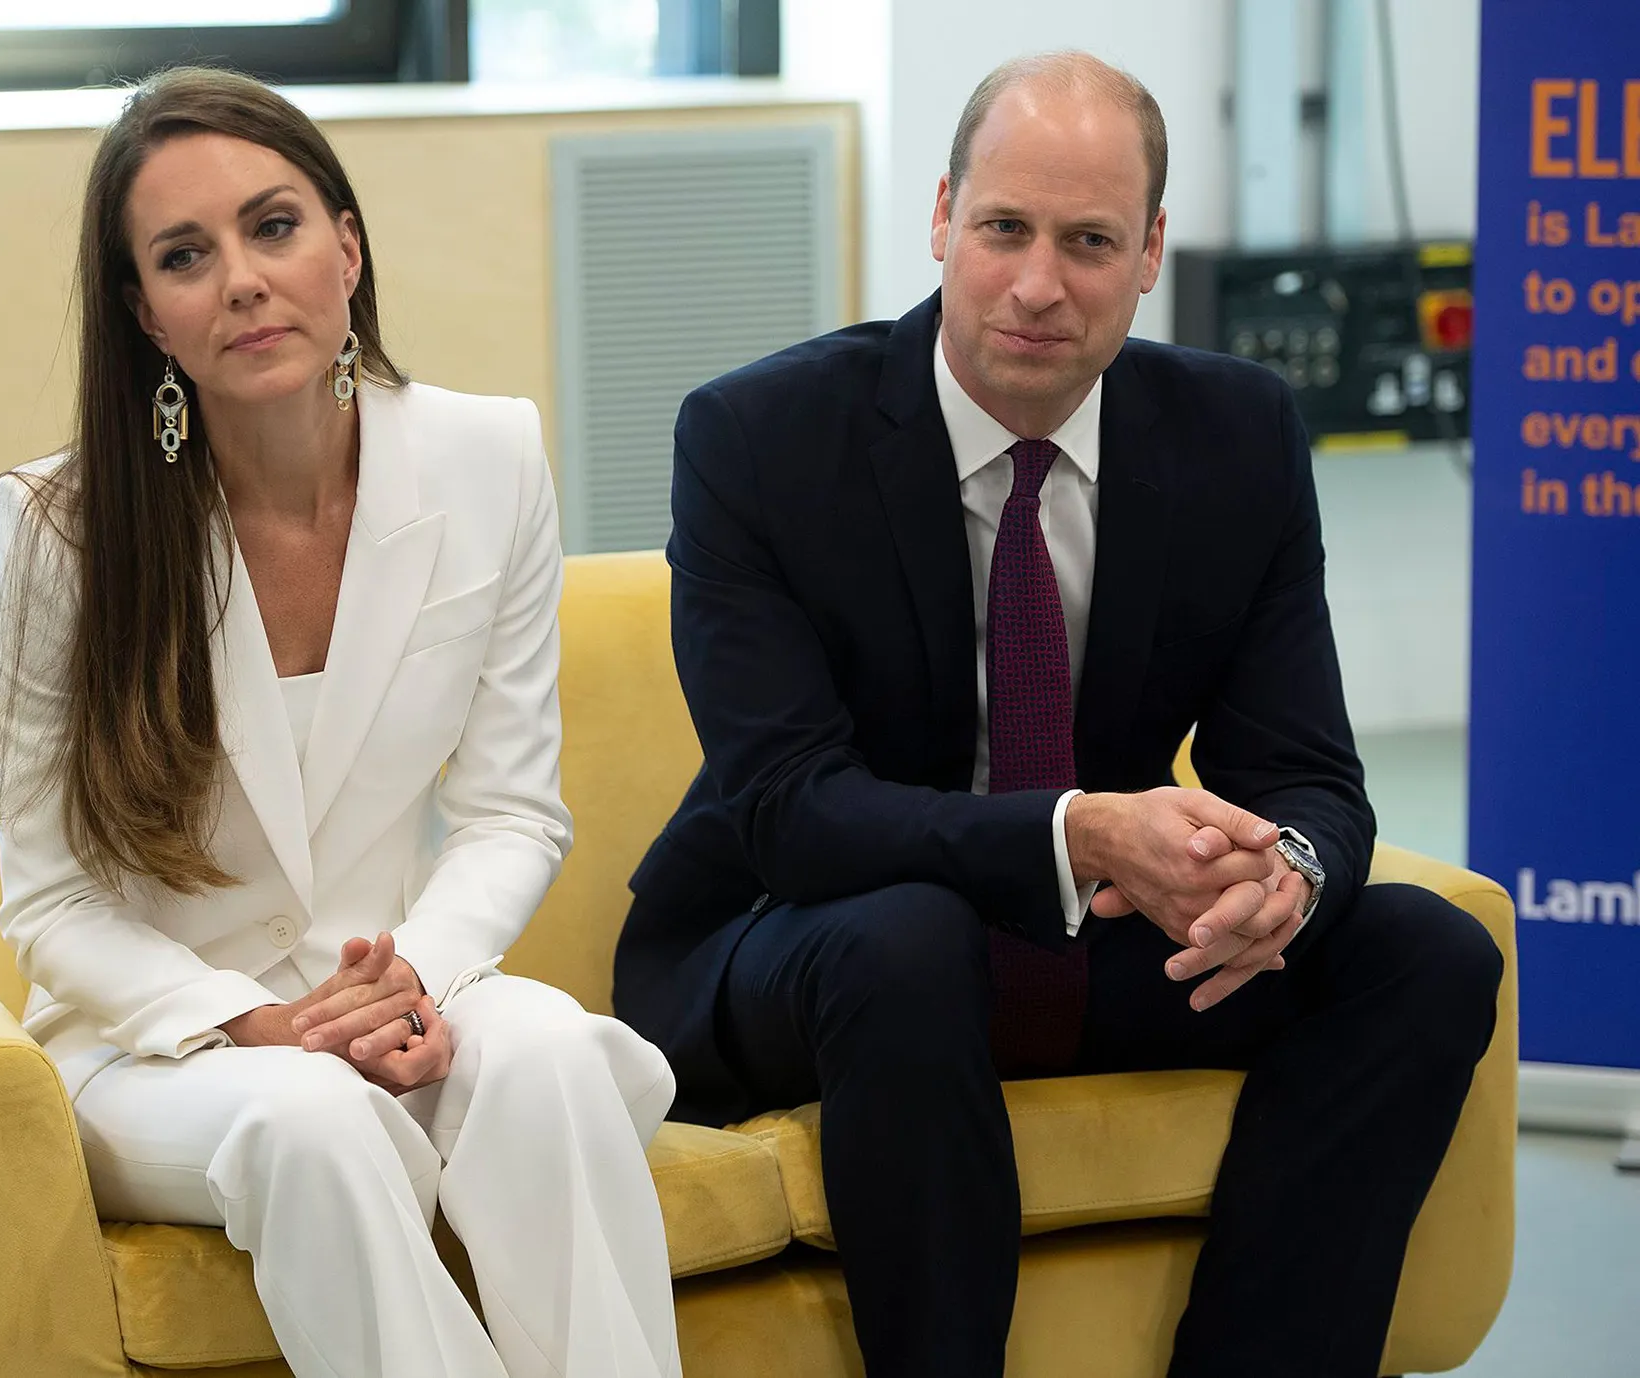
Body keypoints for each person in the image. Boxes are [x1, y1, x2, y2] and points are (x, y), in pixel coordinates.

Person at [612, 50, 1502, 1378]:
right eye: (1004, 230)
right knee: (906, 942)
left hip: (1082, 942)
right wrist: (1082, 836)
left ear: (1149, 254)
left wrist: (1290, 883)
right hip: (792, 939)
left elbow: (1307, 769)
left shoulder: (1238, 434)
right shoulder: (756, 439)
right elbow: (793, 814)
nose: (1037, 285)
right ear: (941, 219)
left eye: (1089, 241)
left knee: (1423, 953)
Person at [0, 68, 680, 1378]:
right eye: (185, 255)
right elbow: (49, 904)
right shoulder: (58, 530)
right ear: (147, 314)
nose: (242, 278)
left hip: (395, 981)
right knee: (317, 1121)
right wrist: (253, 1022)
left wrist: (404, 979)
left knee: (550, 1063)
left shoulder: (490, 458)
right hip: (167, 1048)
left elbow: (512, 810)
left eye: (275, 225)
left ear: (347, 246)